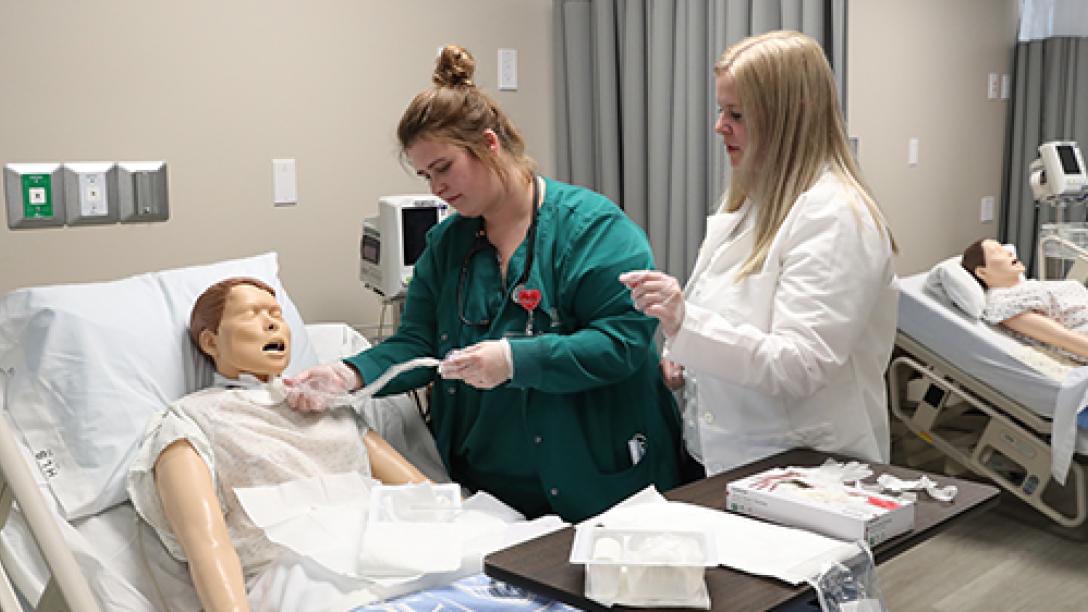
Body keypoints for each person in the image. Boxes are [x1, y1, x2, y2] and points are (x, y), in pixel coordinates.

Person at [285, 44, 684, 523]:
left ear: (489, 145)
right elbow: (418, 344)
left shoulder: (594, 230)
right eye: (424, 174)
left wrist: (515, 360)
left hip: (598, 479)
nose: (435, 188)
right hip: (492, 494)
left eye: (444, 168)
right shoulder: (447, 245)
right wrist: (349, 374)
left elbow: (621, 342)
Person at [619, 31, 898, 476]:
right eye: (720, 110)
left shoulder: (835, 215)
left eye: (737, 114)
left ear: (789, 117)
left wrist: (685, 323)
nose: (719, 126)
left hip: (802, 467)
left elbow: (802, 364)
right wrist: (687, 355)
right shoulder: (754, 200)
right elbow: (732, 318)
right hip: (728, 455)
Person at [127, 277, 429, 611]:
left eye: (276, 313)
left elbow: (424, 495)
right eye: (251, 314)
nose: (272, 322)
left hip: (398, 564)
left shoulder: (328, 407)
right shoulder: (190, 422)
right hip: (304, 584)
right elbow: (207, 545)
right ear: (211, 342)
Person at [963, 237, 1088, 362]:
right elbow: (1063, 338)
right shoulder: (1004, 302)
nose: (1009, 252)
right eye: (997, 251)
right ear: (982, 272)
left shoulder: (1025, 287)